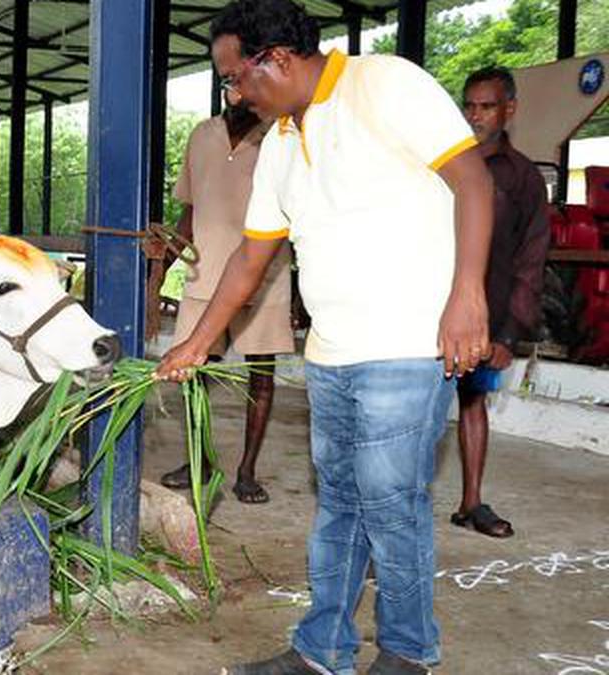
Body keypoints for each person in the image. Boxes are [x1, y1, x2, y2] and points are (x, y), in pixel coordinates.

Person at [155, 0, 494, 672]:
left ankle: (406, 651)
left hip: (406, 344)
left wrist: (468, 293)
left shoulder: (385, 84)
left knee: (392, 505)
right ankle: (323, 650)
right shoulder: (280, 140)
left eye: (234, 77)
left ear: (276, 59)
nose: (233, 94)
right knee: (338, 505)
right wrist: (196, 340)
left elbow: (473, 183)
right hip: (332, 357)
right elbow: (251, 257)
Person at [153, 94, 294, 504]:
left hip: (267, 277)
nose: (236, 91)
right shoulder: (202, 135)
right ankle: (198, 460)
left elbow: (296, 215)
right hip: (205, 276)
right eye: (228, 81)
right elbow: (189, 212)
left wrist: (299, 288)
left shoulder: (279, 137)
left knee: (261, 379)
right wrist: (162, 267)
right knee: (193, 374)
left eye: (242, 80)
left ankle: (247, 470)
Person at [451, 66, 550, 539]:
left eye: (486, 106)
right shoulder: (442, 164)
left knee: (473, 401)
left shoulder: (525, 178)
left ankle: (472, 502)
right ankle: (393, 516)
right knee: (413, 410)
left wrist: (510, 332)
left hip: (485, 314)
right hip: (429, 306)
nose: (475, 115)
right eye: (468, 105)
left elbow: (531, 260)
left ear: (508, 109)